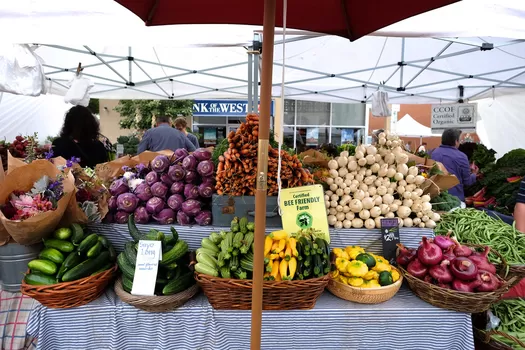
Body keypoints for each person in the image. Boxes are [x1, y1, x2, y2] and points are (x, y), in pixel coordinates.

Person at [431, 128, 478, 202]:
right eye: (459, 140)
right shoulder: (461, 157)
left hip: (434, 198)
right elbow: (467, 182)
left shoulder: (432, 153)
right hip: (454, 200)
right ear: (456, 141)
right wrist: (474, 174)